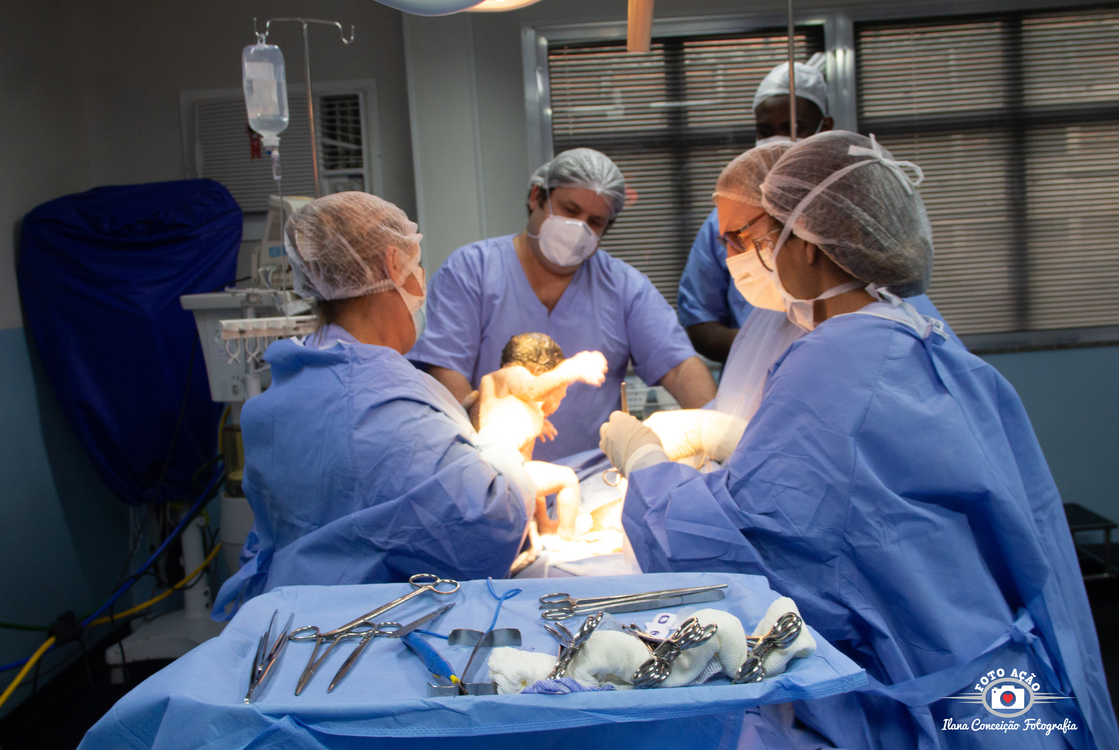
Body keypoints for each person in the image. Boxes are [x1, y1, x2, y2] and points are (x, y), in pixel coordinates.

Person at [600, 132, 1119, 750]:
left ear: (811, 246)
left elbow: (738, 543)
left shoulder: (835, 358)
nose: (757, 253)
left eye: (773, 234)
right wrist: (741, 444)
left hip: (932, 715)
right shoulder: (920, 331)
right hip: (1002, 691)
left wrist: (646, 465)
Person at [213, 192, 541, 619]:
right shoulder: (379, 397)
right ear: (392, 265)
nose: (422, 284)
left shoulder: (281, 393)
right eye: (417, 267)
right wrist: (501, 440)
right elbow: (486, 526)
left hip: (289, 621)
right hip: (371, 629)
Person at [408, 147, 716, 462]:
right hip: (487, 467)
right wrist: (492, 444)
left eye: (594, 222)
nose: (578, 227)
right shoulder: (473, 271)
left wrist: (718, 433)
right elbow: (445, 371)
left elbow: (679, 369)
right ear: (537, 197)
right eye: (569, 210)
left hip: (592, 479)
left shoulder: (624, 288)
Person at [711, 142, 961, 424]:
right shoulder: (775, 318)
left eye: (737, 237)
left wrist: (652, 457)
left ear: (805, 232)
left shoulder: (854, 351)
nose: (729, 256)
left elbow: (778, 461)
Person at [678, 54, 834, 363]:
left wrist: (814, 348)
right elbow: (699, 318)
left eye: (791, 127)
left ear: (824, 127)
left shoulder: (846, 214)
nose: (776, 138)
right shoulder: (727, 219)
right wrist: (765, 346)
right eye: (765, 130)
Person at [484, 333, 608, 539]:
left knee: (534, 473)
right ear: (541, 373)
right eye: (561, 392)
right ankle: (567, 536)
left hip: (503, 474)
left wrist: (538, 423)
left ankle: (544, 524)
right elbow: (532, 389)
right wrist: (571, 370)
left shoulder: (500, 398)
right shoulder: (512, 374)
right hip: (501, 474)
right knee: (567, 479)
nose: (560, 398)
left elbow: (500, 413)